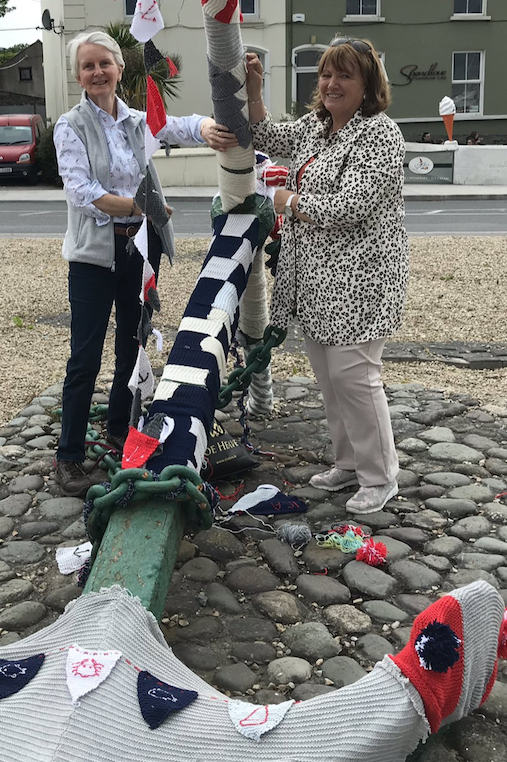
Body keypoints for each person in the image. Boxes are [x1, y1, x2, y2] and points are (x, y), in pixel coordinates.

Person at [52, 30, 229, 497]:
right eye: (87, 66)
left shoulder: (134, 119)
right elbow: (81, 192)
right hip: (94, 256)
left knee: (132, 345)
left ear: (119, 68)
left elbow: (173, 125)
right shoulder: (70, 126)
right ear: (78, 75)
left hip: (139, 250)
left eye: (103, 64)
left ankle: (116, 426)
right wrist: (138, 206)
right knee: (85, 356)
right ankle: (68, 457)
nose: (96, 72)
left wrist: (208, 128)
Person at [239, 37, 407, 515]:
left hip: (361, 282)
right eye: (326, 74)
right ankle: (349, 462)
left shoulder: (379, 134)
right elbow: (267, 135)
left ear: (367, 84)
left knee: (355, 377)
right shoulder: (318, 127)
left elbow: (350, 207)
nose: (332, 84)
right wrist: (255, 88)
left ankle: (380, 476)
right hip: (315, 283)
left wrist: (285, 201)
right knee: (330, 378)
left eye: (345, 75)